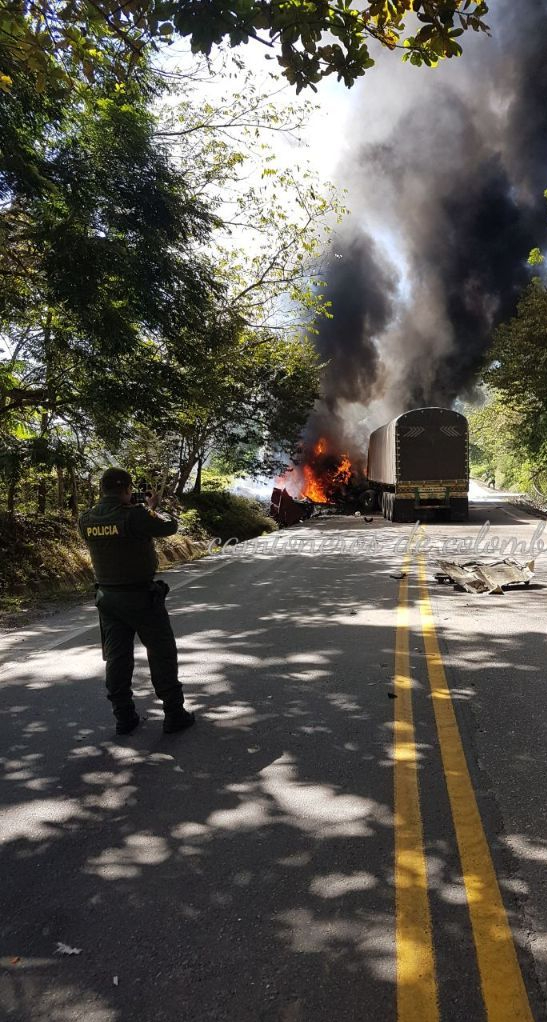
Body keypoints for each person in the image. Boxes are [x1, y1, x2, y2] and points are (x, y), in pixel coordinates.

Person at [79, 468, 195, 736]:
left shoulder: (85, 519)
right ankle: (174, 713)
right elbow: (170, 527)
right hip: (141, 597)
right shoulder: (135, 515)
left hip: (107, 599)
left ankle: (124, 717)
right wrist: (153, 508)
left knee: (117, 658)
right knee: (161, 652)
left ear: (102, 489)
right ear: (127, 489)